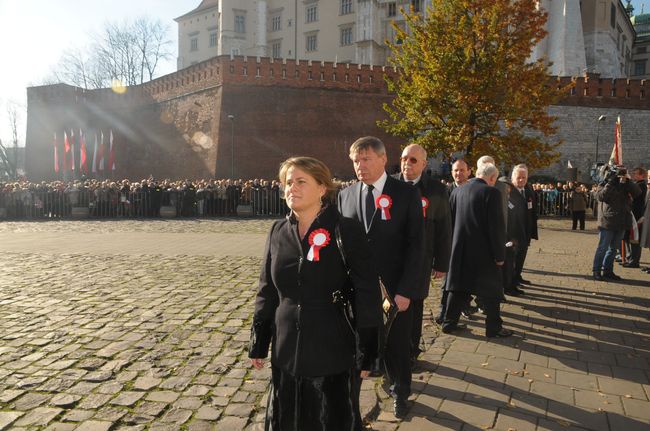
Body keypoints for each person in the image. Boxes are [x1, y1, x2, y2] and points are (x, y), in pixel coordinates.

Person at [249, 156, 382, 431]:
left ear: (322, 188)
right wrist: (260, 341)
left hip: (331, 347)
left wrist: (367, 351)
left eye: (300, 182)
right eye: (288, 182)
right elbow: (267, 291)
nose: (291, 188)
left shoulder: (345, 229)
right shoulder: (278, 231)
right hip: (285, 350)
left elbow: (366, 292)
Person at [338, 136, 424, 419]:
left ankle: (401, 392)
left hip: (395, 288)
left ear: (383, 159)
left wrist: (406, 290)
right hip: (359, 290)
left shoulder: (406, 193)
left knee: (398, 345)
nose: (360, 166)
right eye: (355, 161)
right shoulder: (346, 195)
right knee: (361, 342)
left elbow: (416, 245)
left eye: (366, 159)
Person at [393, 144, 451, 365]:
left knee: (415, 306)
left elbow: (444, 228)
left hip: (420, 260)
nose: (407, 163)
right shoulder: (389, 185)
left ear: (425, 164)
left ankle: (411, 350)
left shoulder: (436, 190)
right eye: (404, 158)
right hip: (391, 258)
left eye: (413, 160)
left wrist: (442, 262)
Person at [442, 163, 513, 338]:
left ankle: (449, 322)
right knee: (492, 291)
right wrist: (499, 255)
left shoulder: (458, 191)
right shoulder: (492, 193)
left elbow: (449, 222)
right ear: (492, 178)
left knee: (457, 288)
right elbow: (496, 227)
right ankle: (493, 327)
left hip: (459, 250)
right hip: (484, 253)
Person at [592, 166, 642, 281]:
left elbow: (637, 192)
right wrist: (611, 181)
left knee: (613, 249)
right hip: (607, 222)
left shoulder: (625, 184)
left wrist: (628, 180)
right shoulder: (603, 183)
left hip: (622, 221)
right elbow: (601, 196)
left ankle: (608, 271)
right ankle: (596, 270)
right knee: (602, 248)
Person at [510, 164, 538, 287]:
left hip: (526, 231)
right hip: (513, 234)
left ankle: (517, 276)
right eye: (518, 177)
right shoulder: (508, 192)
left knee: (521, 256)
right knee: (512, 260)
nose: (521, 180)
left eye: (524, 177)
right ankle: (511, 282)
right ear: (512, 178)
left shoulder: (528, 190)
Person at [623, 167, 647, 268]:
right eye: (633, 173)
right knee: (628, 238)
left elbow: (634, 195)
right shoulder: (637, 184)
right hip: (631, 214)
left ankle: (634, 261)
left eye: (636, 174)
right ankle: (629, 258)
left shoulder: (641, 185)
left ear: (642, 175)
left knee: (634, 239)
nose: (634, 175)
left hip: (636, 215)